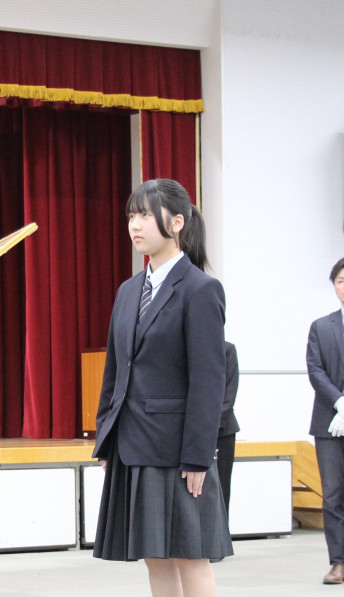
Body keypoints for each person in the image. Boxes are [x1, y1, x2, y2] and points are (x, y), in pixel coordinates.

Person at [92, 179, 233, 597]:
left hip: (178, 450)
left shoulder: (200, 290)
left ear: (176, 222)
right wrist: (107, 437)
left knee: (192, 555)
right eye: (131, 215)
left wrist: (198, 456)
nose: (135, 224)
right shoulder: (128, 290)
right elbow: (116, 371)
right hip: (133, 444)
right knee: (154, 556)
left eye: (144, 215)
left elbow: (209, 381)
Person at [306, 257, 344, 585]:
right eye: (341, 280)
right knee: (332, 493)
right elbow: (315, 370)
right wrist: (340, 401)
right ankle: (338, 562)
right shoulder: (321, 326)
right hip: (329, 422)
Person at [216, 341, 240, 523]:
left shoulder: (227, 349)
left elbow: (230, 391)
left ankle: (219, 545)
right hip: (189, 430)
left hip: (221, 429)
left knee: (222, 487)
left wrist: (210, 423)